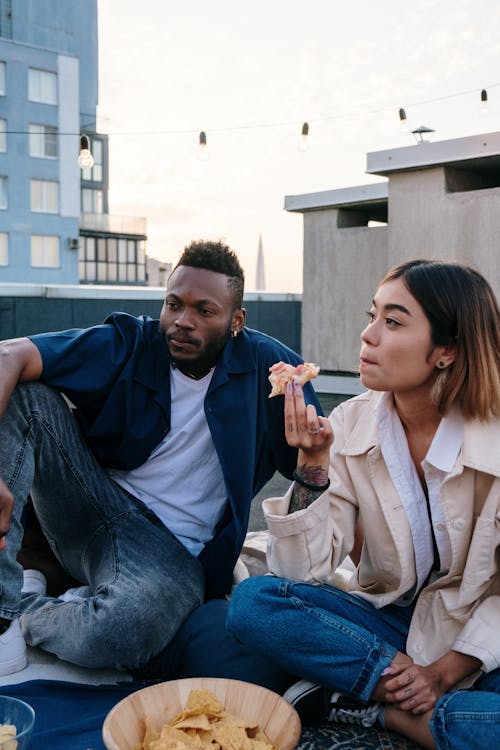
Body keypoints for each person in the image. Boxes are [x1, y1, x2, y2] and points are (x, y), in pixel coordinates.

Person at [0, 238, 321, 678]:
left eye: (204, 311)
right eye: (174, 305)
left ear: (236, 320)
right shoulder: (133, 341)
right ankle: (2, 606)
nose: (181, 322)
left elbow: (313, 487)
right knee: (28, 394)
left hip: (171, 555)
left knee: (123, 634)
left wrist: (313, 460)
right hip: (92, 505)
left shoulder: (274, 371)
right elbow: (9, 355)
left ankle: (29, 608)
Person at [228, 259, 500, 749]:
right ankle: (427, 707)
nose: (368, 335)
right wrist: (313, 461)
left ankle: (380, 711)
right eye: (371, 315)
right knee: (253, 603)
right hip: (388, 629)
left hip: (480, 641)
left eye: (392, 322)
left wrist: (444, 672)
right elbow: (302, 573)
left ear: (446, 350)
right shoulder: (352, 423)